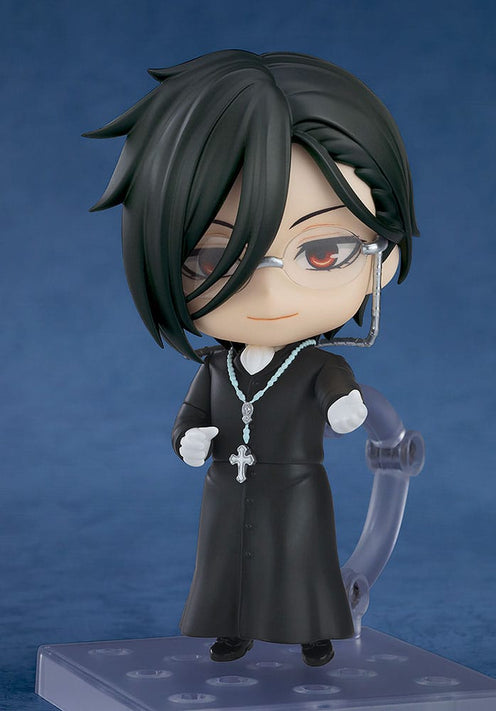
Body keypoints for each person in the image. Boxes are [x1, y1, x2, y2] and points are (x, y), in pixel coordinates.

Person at [85, 49, 418, 667]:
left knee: (301, 558)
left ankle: (315, 633)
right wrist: (188, 439)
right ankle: (231, 629)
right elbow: (190, 418)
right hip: (227, 485)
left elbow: (342, 399)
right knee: (224, 564)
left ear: (383, 259)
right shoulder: (216, 369)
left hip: (295, 484)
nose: (266, 293)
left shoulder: (319, 367)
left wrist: (345, 408)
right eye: (213, 260)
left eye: (321, 253)